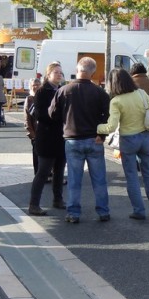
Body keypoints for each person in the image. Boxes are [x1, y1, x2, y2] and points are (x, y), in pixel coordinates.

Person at [48, 57, 111, 224]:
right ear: (93, 72)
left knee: (74, 180)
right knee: (99, 179)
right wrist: (102, 135)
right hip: (94, 139)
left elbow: (52, 113)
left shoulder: (64, 90)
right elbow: (109, 115)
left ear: (77, 70)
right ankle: (103, 211)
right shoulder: (99, 92)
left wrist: (65, 119)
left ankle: (73, 213)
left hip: (72, 139)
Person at [98, 68, 149, 220]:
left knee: (132, 177)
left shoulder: (116, 101)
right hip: (146, 138)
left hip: (128, 140)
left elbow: (111, 127)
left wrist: (96, 127)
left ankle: (139, 211)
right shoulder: (141, 94)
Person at [28, 64, 66, 216]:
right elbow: (40, 115)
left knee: (59, 171)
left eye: (60, 72)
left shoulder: (61, 90)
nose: (59, 75)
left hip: (61, 136)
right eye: (55, 72)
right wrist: (59, 117)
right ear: (48, 75)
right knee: (43, 172)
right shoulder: (42, 92)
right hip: (46, 137)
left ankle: (58, 199)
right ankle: (34, 204)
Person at [24, 78, 42, 173]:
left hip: (45, 132)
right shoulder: (30, 99)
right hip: (35, 132)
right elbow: (27, 119)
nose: (36, 86)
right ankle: (38, 173)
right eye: (33, 85)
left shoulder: (44, 97)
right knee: (36, 154)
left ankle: (48, 173)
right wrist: (32, 135)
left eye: (38, 84)